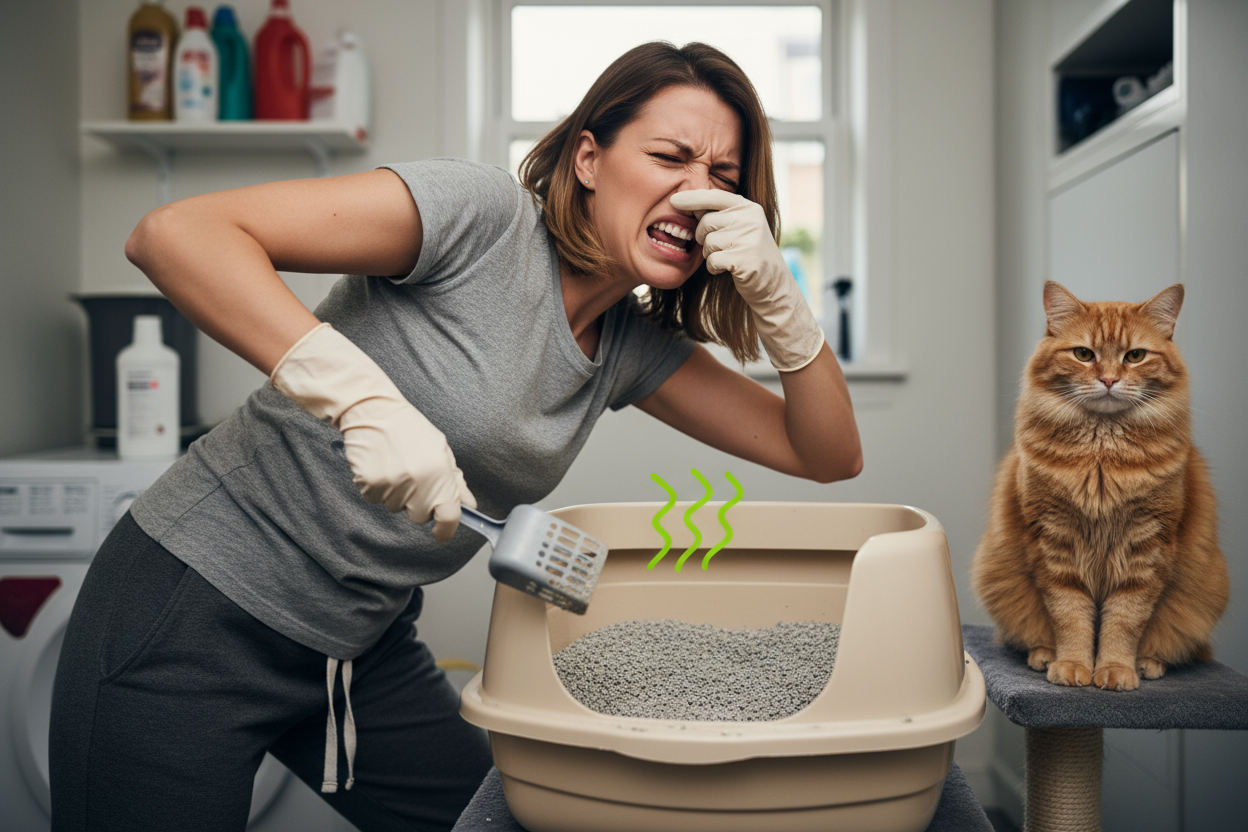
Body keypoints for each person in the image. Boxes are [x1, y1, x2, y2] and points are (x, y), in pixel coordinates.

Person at [49, 41, 861, 832]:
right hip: (194, 608)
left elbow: (826, 454)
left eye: (723, 178)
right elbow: (174, 234)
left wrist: (782, 307)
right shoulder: (481, 219)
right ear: (588, 158)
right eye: (670, 157)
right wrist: (365, 400)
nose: (697, 194)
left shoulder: (628, 346)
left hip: (357, 644)